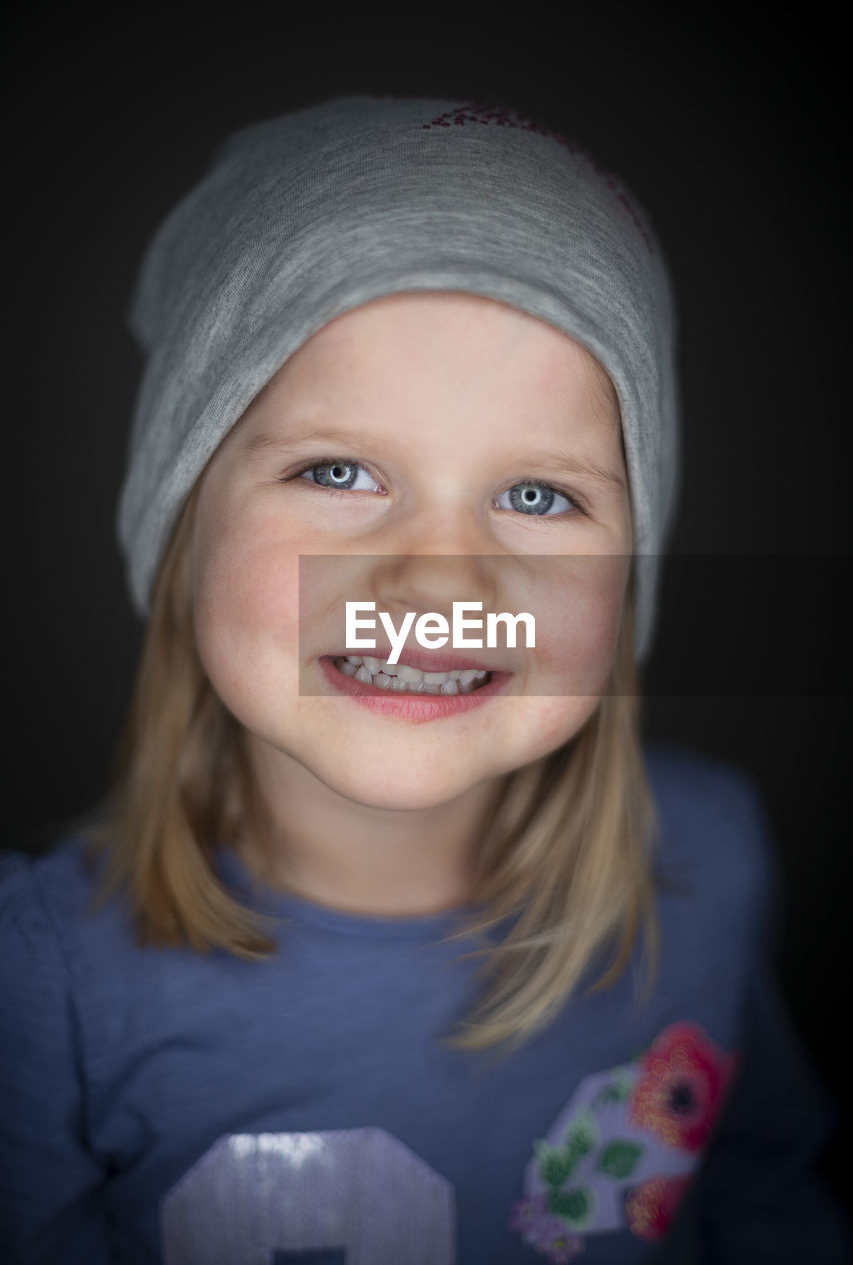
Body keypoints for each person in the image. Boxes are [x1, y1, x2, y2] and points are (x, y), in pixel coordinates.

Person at [0, 96, 848, 1265]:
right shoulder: (38, 983)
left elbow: (765, 1192)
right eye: (339, 469)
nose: (436, 577)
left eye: (539, 496)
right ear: (183, 526)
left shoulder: (709, 854)